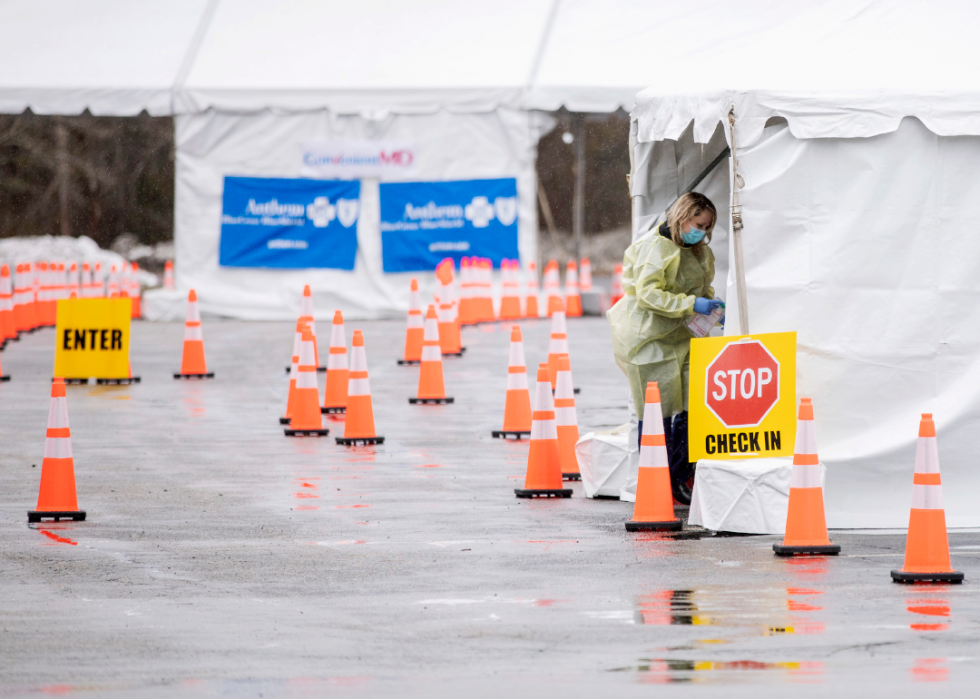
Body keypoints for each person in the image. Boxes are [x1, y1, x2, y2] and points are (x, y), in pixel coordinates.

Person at [607, 192, 724, 504]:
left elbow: (701, 284)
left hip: (683, 335)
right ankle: (656, 480)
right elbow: (648, 294)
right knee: (656, 411)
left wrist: (709, 307)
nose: (703, 231)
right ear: (682, 218)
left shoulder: (698, 250)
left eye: (708, 226)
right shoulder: (655, 248)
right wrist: (690, 304)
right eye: (699, 224)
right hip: (649, 338)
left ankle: (678, 478)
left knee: (690, 407)